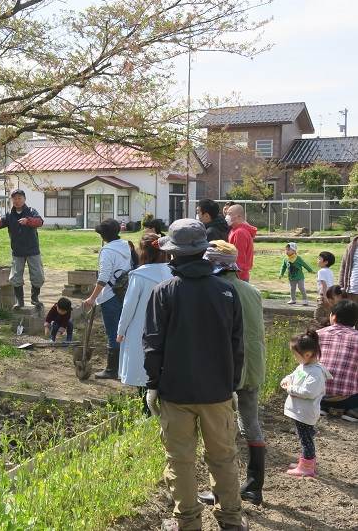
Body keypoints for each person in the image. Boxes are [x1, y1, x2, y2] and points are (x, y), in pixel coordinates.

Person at [143, 218, 246, 531]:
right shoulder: (227, 292)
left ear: (172, 254)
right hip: (217, 391)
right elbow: (237, 345)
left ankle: (187, 522)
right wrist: (232, 385)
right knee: (223, 457)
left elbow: (152, 344)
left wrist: (152, 384)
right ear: (203, 251)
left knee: (181, 461)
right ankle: (230, 520)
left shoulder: (164, 292)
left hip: (176, 391)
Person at [199, 240, 267, 506]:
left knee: (221, 431)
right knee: (250, 423)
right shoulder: (252, 291)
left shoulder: (217, 290)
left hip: (226, 369)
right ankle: (254, 485)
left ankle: (222, 490)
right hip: (253, 367)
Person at [115, 233, 172, 413]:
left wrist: (121, 330)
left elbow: (129, 306)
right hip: (169, 327)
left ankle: (147, 410)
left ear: (143, 253)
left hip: (142, 327)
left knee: (144, 369)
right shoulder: (172, 271)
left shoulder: (140, 275)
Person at [84, 218, 133, 380]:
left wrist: (92, 298)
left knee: (113, 332)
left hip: (111, 295)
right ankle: (124, 366)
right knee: (123, 330)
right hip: (125, 292)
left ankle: (112, 370)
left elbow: (103, 277)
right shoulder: (126, 245)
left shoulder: (107, 251)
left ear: (103, 236)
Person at [281, 329, 331, 478]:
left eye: (296, 355)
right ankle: (305, 462)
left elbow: (309, 392)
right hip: (300, 412)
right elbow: (295, 374)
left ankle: (307, 467)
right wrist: (287, 378)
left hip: (305, 413)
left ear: (308, 355)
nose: (295, 358)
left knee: (306, 440)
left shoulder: (315, 373)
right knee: (305, 436)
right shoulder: (305, 366)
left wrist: (290, 389)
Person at [0, 188, 45, 309]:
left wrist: (28, 221)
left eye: (19, 198)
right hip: (17, 252)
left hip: (32, 250)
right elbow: (0, 224)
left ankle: (34, 298)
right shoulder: (10, 215)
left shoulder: (31, 211)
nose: (17, 201)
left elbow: (40, 222)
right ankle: (19, 301)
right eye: (14, 199)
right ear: (12, 200)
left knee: (38, 276)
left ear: (24, 199)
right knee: (15, 277)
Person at [317, 300, 358, 421]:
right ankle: (353, 411)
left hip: (314, 395)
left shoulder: (317, 334)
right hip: (349, 400)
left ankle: (322, 407)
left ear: (333, 317)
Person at [226, 204, 256, 281]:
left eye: (229, 214)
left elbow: (239, 259)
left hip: (238, 277)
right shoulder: (234, 230)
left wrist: (235, 277)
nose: (227, 216)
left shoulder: (240, 233)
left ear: (239, 216)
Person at [316, 251, 336, 324]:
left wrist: (324, 297)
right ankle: (328, 326)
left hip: (323, 295)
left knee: (317, 316)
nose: (317, 261)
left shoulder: (321, 271)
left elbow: (324, 285)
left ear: (325, 262)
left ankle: (324, 327)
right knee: (328, 314)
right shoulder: (330, 271)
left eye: (319, 259)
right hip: (331, 295)